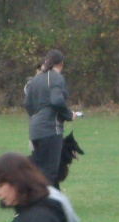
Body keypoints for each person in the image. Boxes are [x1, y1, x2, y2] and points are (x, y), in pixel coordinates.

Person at [24, 49, 75, 189]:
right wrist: (69, 115)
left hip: (34, 131)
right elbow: (57, 101)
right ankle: (47, 205)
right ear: (61, 63)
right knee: (51, 172)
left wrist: (37, 117)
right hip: (51, 130)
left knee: (38, 171)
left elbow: (27, 104)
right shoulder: (56, 77)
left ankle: (38, 203)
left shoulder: (36, 78)